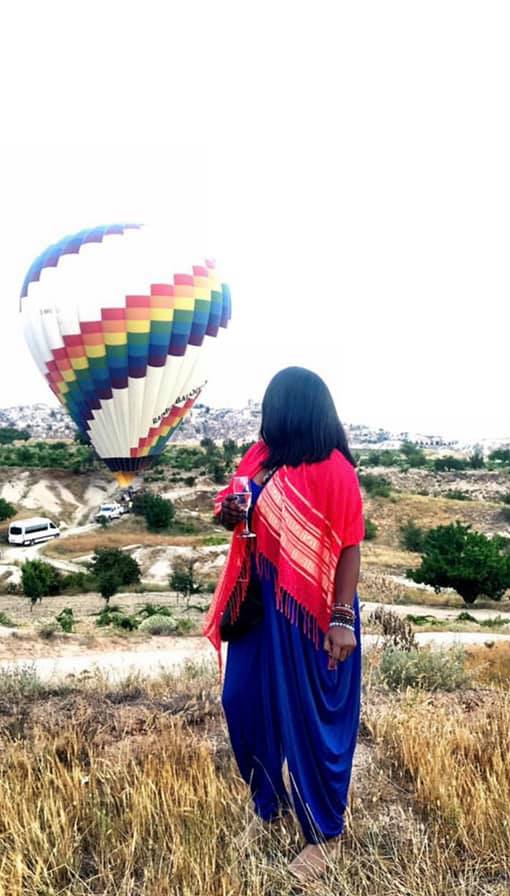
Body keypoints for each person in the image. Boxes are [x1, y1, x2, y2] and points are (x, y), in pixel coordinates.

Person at [203, 367, 364, 882]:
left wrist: (341, 620)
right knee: (243, 701)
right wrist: (228, 513)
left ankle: (324, 834)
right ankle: (267, 802)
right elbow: (231, 512)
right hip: (258, 603)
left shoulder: (336, 469)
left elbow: (350, 547)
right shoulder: (258, 457)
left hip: (312, 611)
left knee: (312, 720)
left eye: (272, 406)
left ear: (294, 409)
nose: (264, 416)